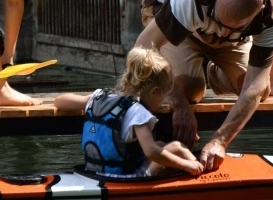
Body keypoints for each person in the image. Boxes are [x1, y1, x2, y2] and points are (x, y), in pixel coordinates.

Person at [135, 0, 273, 171]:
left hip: (209, 19)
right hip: (169, 10)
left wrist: (220, 141)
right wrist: (179, 105)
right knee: (190, 90)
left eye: (234, 27)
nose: (224, 33)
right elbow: (142, 48)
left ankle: (210, 71)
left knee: (259, 90)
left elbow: (254, 87)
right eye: (221, 22)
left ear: (259, 9)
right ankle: (193, 71)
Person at [54, 47, 204, 177]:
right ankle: (201, 171)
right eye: (163, 97)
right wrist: (185, 164)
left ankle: (195, 166)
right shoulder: (138, 113)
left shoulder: (98, 97)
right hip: (126, 178)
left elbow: (59, 101)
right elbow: (151, 152)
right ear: (154, 92)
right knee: (176, 147)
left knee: (159, 143)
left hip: (93, 173)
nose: (162, 103)